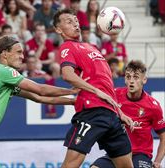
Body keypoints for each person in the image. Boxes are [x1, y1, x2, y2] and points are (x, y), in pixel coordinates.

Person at [0, 35, 78, 168]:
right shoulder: (3, 71)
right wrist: (72, 91)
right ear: (5, 54)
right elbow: (40, 90)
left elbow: (39, 98)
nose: (22, 57)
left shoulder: (2, 77)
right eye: (18, 52)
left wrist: (73, 101)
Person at [53, 9, 134, 168]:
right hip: (92, 112)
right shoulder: (67, 47)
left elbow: (106, 84)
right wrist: (96, 91)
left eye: (76, 20)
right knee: (71, 164)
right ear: (58, 29)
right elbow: (68, 75)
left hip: (111, 114)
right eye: (69, 21)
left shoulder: (92, 47)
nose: (75, 23)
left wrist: (120, 112)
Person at [91, 60, 165, 168]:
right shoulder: (114, 96)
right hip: (117, 152)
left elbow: (163, 136)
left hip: (140, 155)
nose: (131, 81)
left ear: (144, 80)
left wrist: (158, 161)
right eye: (128, 77)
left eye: (135, 77)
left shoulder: (153, 106)